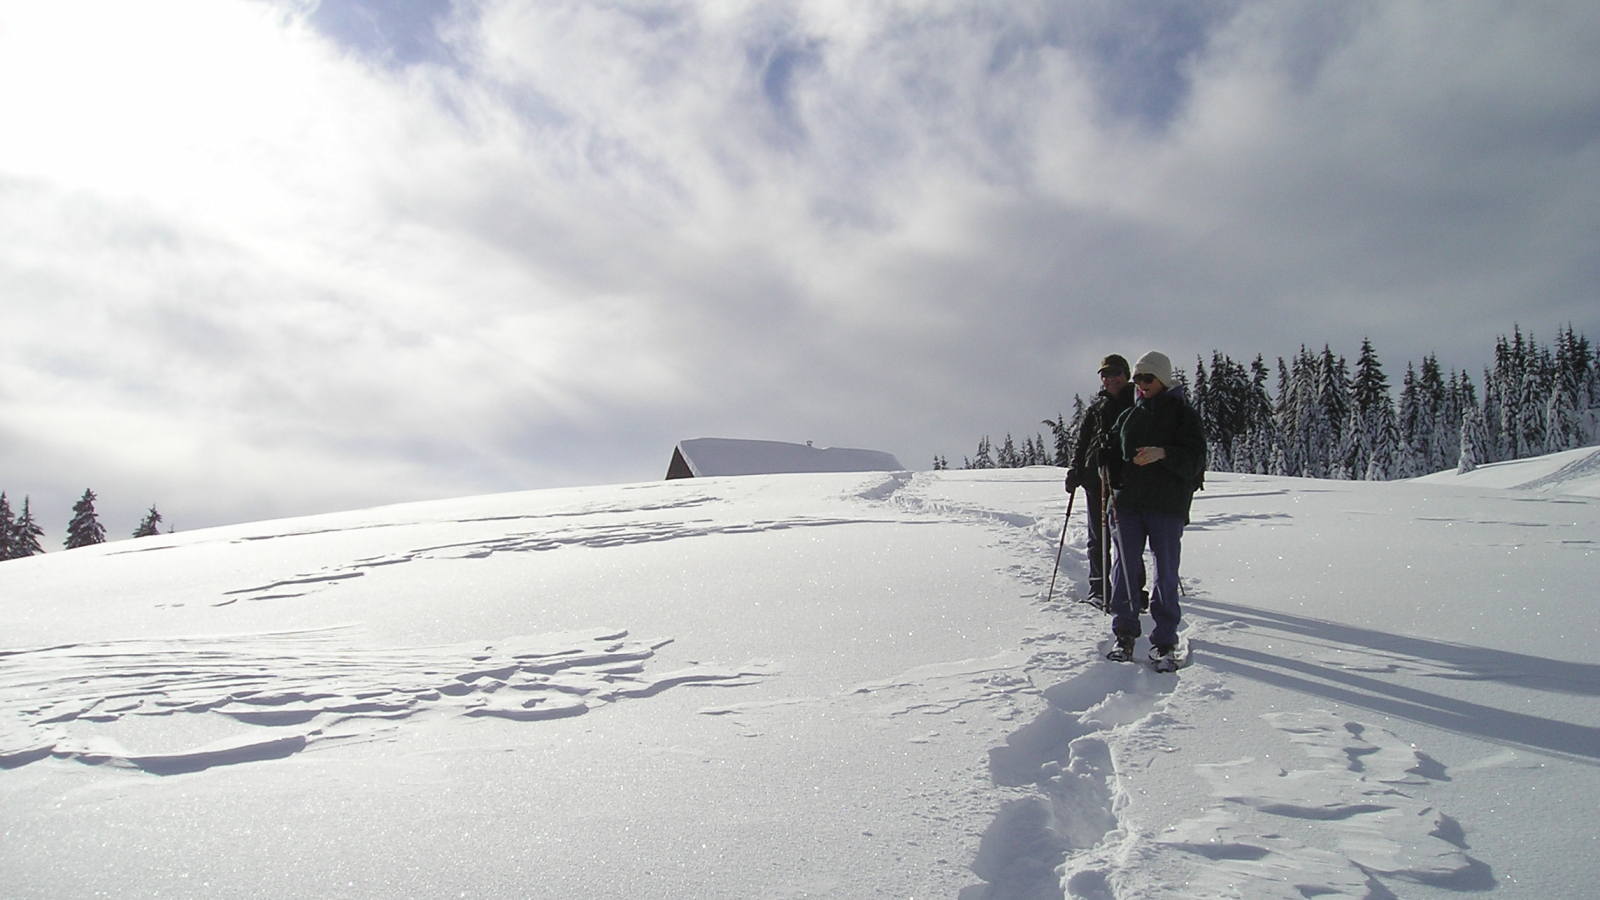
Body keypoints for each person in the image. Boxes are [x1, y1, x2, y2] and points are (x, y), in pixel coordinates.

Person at [1103, 351, 1207, 670]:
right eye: (1138, 379)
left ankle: (1164, 640)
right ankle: (1125, 633)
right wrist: (1105, 459)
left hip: (1166, 504)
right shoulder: (1129, 417)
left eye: (1148, 378)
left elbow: (1195, 461)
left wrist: (1163, 453)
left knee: (1165, 570)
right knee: (1125, 567)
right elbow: (1113, 454)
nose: (1142, 384)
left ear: (1163, 379)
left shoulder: (1183, 416)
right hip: (1128, 503)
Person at [1065, 355, 1136, 604]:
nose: (1110, 379)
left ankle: (1132, 589)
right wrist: (1076, 470)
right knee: (1098, 538)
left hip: (1126, 480)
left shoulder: (1138, 403)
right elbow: (1082, 442)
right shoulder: (1097, 408)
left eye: (1115, 373)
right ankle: (1099, 589)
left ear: (1126, 374)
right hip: (1095, 479)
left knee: (1127, 537)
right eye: (1105, 375)